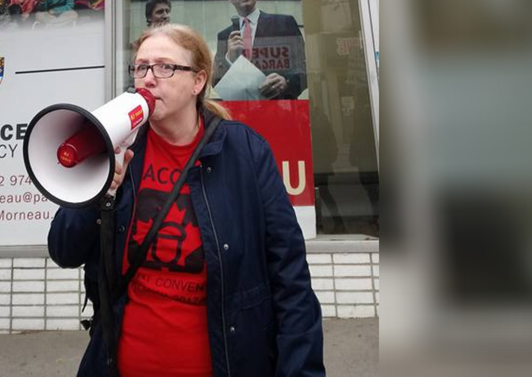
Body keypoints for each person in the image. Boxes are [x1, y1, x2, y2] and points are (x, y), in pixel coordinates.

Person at [48, 24, 325, 377]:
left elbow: (290, 277)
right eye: (140, 67)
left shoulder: (245, 152)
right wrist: (96, 193)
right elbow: (63, 250)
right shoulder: (120, 150)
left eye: (164, 67)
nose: (148, 78)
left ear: (198, 82)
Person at [212, 0, 307, 100]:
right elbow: (217, 83)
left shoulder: (284, 23)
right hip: (241, 111)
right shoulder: (224, 36)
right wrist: (229, 60)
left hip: (279, 108)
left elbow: (304, 70)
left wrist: (286, 82)